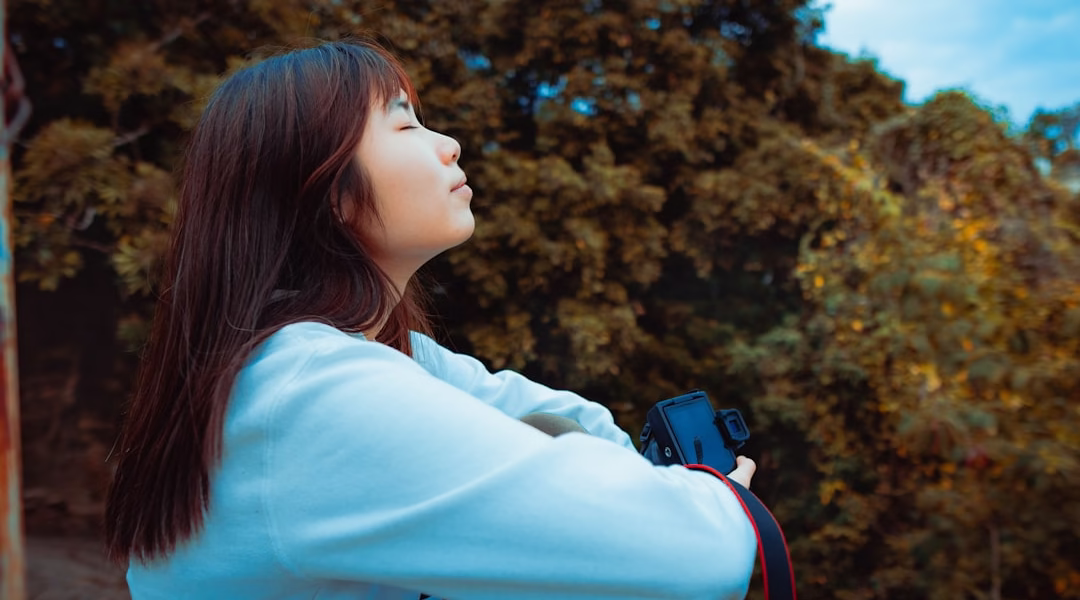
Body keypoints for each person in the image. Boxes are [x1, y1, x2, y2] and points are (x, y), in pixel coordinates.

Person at [104, 38, 760, 600]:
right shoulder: (313, 397)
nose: (448, 144)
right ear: (329, 192)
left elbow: (567, 419)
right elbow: (698, 555)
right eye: (405, 125)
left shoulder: (340, 361)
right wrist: (721, 495)